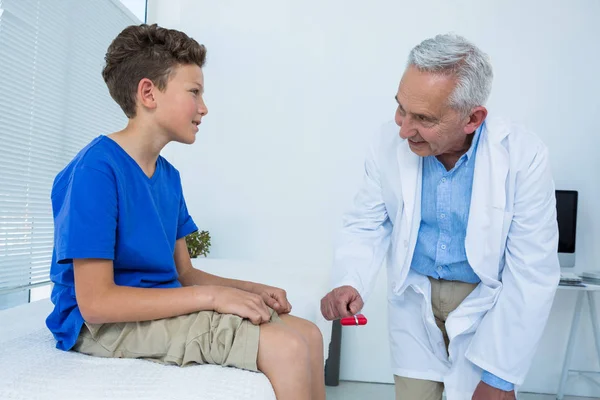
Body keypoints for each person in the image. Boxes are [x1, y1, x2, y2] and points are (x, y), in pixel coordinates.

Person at [46, 23, 325, 400]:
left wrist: (250, 290)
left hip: (154, 305)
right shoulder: (95, 171)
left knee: (308, 334)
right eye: (194, 92)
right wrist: (212, 299)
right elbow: (96, 304)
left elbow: (184, 272)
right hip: (101, 324)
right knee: (286, 348)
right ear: (149, 93)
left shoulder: (168, 177)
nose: (204, 107)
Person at [320, 33, 559, 400]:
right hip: (415, 299)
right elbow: (367, 222)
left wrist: (498, 378)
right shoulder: (387, 143)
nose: (403, 129)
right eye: (401, 108)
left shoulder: (523, 156)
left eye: (423, 118)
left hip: (487, 306)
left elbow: (532, 269)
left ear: (472, 118)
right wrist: (350, 279)